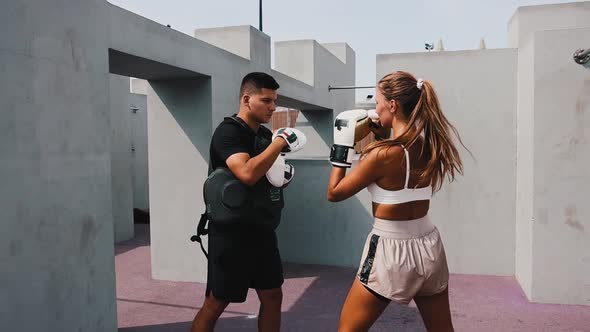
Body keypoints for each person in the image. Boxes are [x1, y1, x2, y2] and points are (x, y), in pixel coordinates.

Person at [327, 71, 467, 332]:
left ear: (392, 105)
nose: (374, 107)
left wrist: (341, 145)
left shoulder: (381, 155)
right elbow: (397, 173)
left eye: (378, 100)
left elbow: (334, 192)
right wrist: (381, 133)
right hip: (429, 247)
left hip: (389, 250)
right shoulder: (430, 146)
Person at [192, 72, 306, 332]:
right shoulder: (229, 132)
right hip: (232, 233)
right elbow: (246, 173)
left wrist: (282, 177)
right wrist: (279, 143)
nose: (273, 106)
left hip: (261, 229)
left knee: (273, 295)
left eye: (275, 100)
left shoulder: (264, 135)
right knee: (217, 302)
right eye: (266, 100)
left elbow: (265, 173)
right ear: (246, 99)